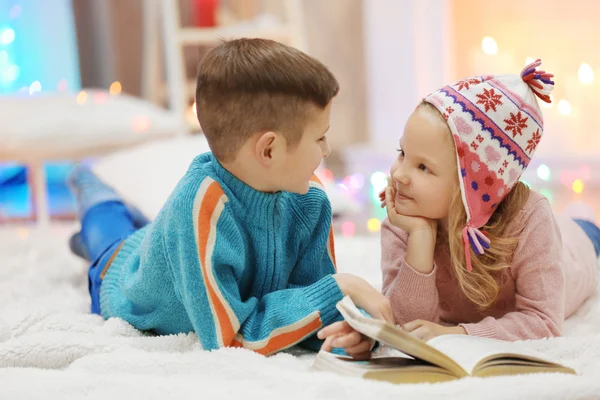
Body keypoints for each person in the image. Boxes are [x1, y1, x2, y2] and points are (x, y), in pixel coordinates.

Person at [68, 38, 392, 358]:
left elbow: (310, 303)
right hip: (119, 273)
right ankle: (92, 187)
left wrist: (353, 331)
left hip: (173, 245)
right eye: (320, 137)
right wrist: (344, 286)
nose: (327, 149)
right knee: (104, 228)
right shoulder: (199, 208)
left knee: (155, 233)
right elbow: (229, 339)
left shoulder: (309, 199)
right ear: (269, 149)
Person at [319, 60, 600, 345]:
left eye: (423, 168)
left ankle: (583, 219)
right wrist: (421, 238)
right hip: (549, 234)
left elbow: (543, 322)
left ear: (472, 187)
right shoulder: (402, 220)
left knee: (585, 230)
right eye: (402, 153)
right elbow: (404, 323)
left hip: (574, 250)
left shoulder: (530, 220)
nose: (399, 175)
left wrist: (459, 334)